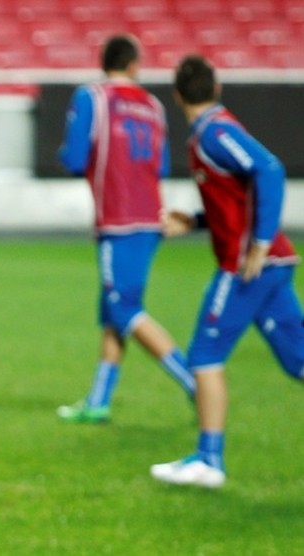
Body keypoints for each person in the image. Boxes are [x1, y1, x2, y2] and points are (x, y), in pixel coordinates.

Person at [151, 55, 304, 488]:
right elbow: (235, 200)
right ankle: (206, 458)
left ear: (177, 95)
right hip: (269, 263)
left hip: (247, 266)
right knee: (298, 360)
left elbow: (268, 169)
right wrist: (196, 222)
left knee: (204, 357)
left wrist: (258, 243)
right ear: (216, 88)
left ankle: (209, 459)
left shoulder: (214, 132)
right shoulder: (213, 131)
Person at [56, 34, 195, 423]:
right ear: (134, 65)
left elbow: (74, 157)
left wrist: (70, 156)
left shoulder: (92, 97)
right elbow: (162, 165)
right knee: (113, 310)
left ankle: (193, 381)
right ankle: (99, 400)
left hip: (118, 218)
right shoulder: (152, 105)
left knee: (123, 308)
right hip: (151, 215)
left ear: (104, 63)